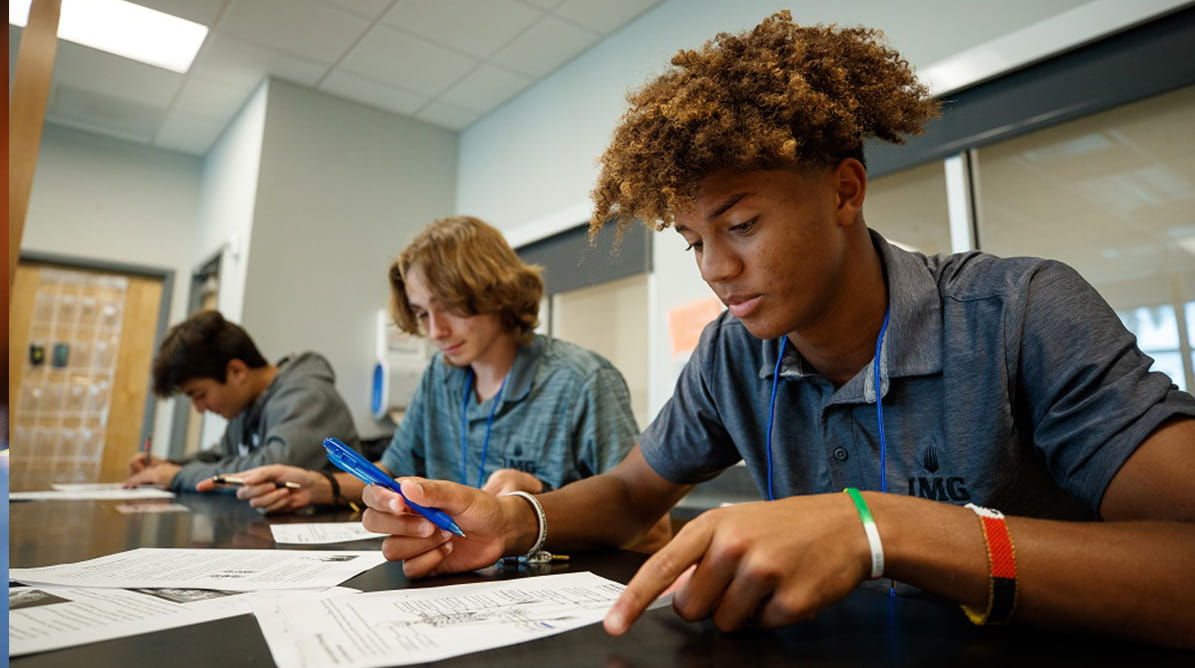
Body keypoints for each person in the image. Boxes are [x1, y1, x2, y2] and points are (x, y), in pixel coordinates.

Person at [356, 12, 1195, 649]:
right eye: (693, 242)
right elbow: (629, 495)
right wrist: (513, 522)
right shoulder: (731, 353)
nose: (715, 268)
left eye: (741, 225)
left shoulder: (1019, 312)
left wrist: (880, 529)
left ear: (843, 191)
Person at [213, 216, 667, 550]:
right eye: (422, 313)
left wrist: (539, 501)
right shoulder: (440, 376)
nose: (435, 331)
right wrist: (317, 485)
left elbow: (651, 526)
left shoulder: (582, 380)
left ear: (497, 290)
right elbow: (393, 473)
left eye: (448, 306)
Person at [124, 309, 361, 492]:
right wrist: (167, 465)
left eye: (200, 395)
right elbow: (222, 454)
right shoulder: (246, 409)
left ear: (237, 371)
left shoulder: (308, 395)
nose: (199, 408)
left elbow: (269, 468)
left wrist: (177, 476)